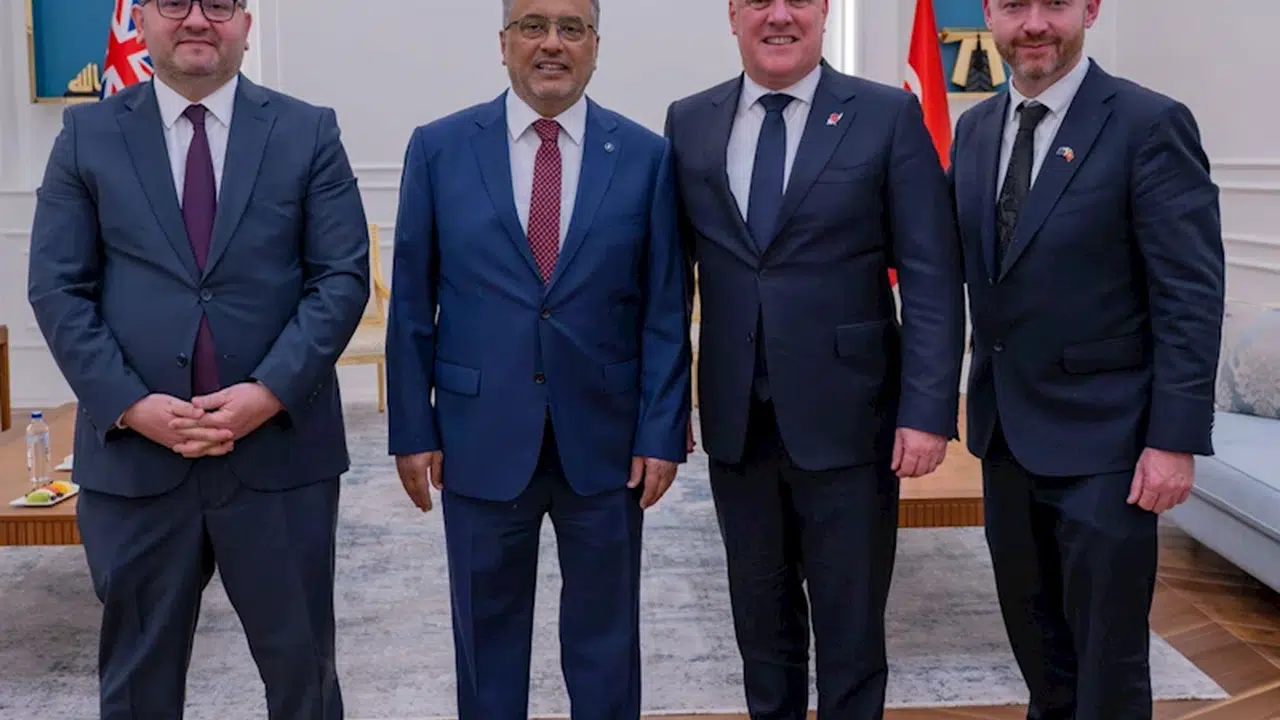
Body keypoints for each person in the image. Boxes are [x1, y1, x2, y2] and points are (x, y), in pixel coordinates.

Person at [26, 0, 370, 717]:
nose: (196, 21)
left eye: (218, 4)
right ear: (142, 20)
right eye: (174, 3)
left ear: (245, 22)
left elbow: (339, 280)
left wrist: (267, 393)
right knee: (138, 687)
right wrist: (130, 404)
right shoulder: (87, 135)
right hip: (137, 460)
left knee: (303, 680)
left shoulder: (308, 131)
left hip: (279, 458)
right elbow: (59, 288)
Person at [385, 0, 690, 716]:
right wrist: (412, 429)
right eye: (533, 26)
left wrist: (661, 432)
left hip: (607, 443)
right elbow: (411, 306)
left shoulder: (645, 156)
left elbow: (665, 310)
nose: (552, 43)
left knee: (606, 645)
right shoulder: (438, 148)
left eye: (571, 28)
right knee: (486, 645)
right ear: (503, 43)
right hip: (478, 438)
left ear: (595, 46)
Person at [664, 0, 966, 716]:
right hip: (738, 425)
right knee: (759, 631)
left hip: (852, 424)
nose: (779, 16)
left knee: (851, 634)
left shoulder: (886, 115)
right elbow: (670, 283)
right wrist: (667, 408)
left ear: (825, 11)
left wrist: (927, 410)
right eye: (758, 1)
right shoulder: (690, 121)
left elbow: (930, 276)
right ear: (733, 14)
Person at [948, 1, 1225, 717]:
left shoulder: (1149, 124)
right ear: (989, 13)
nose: (1035, 23)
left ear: (1091, 9)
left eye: (1056, 3)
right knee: (1040, 657)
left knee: (1108, 665)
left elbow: (1189, 296)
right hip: (1005, 438)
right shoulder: (975, 129)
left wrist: (1174, 441)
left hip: (1110, 445)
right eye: (1014, 5)